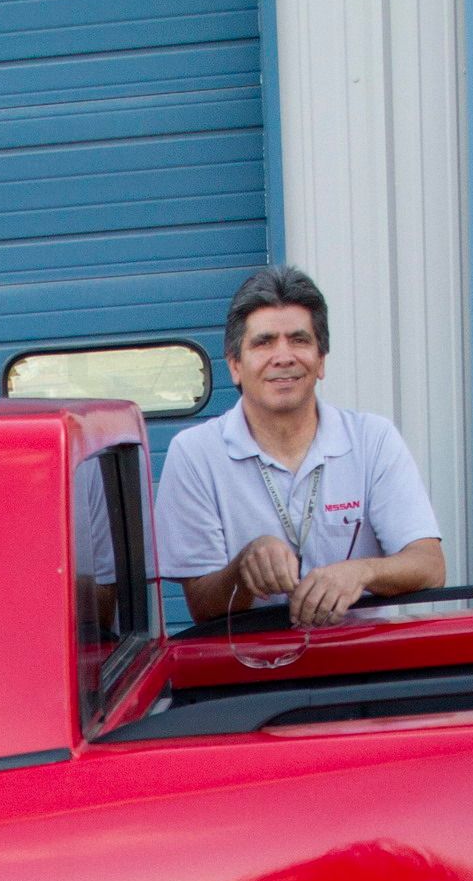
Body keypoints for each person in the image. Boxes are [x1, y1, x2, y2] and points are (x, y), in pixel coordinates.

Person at [155, 266, 446, 626]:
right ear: (234, 366)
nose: (283, 356)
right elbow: (201, 605)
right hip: (247, 670)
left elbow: (430, 565)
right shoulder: (194, 454)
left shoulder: (373, 439)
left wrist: (359, 573)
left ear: (321, 361)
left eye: (299, 340)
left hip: (365, 667)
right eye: (264, 342)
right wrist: (245, 568)